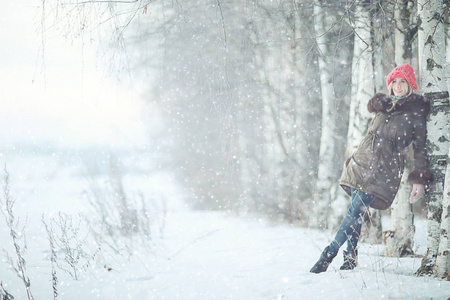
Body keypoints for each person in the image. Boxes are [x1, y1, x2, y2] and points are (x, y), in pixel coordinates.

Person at [310, 63, 433, 274]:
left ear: (410, 84)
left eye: (403, 81)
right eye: (395, 81)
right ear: (390, 84)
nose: (398, 86)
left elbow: (420, 148)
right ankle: (349, 258)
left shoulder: (415, 113)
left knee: (354, 211)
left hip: (384, 171)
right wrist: (353, 157)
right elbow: (370, 137)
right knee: (355, 213)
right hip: (361, 164)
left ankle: (328, 254)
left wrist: (419, 179)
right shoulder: (383, 106)